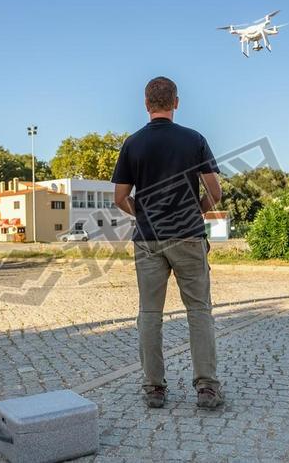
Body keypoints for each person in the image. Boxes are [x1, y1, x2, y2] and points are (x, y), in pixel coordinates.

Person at [112, 76, 224, 409]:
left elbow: (120, 197)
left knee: (149, 313)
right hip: (189, 235)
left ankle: (153, 388)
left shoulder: (133, 144)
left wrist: (143, 215)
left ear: (146, 104)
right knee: (199, 311)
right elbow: (215, 192)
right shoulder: (195, 140)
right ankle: (207, 388)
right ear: (176, 102)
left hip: (149, 239)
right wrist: (197, 212)